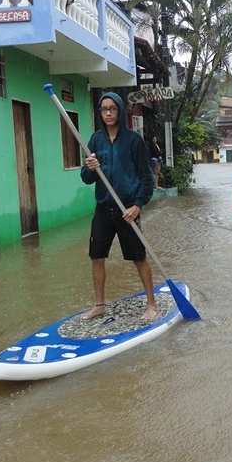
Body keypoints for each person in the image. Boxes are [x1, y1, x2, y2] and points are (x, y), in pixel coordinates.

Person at [80, 92, 158, 322]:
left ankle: (151, 304)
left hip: (127, 210)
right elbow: (85, 178)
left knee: (139, 257)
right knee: (96, 256)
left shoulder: (133, 141)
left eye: (112, 108)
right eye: (104, 109)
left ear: (120, 110)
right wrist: (91, 168)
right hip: (104, 208)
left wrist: (138, 206)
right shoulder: (96, 140)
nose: (108, 113)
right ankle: (100, 305)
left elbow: (146, 178)